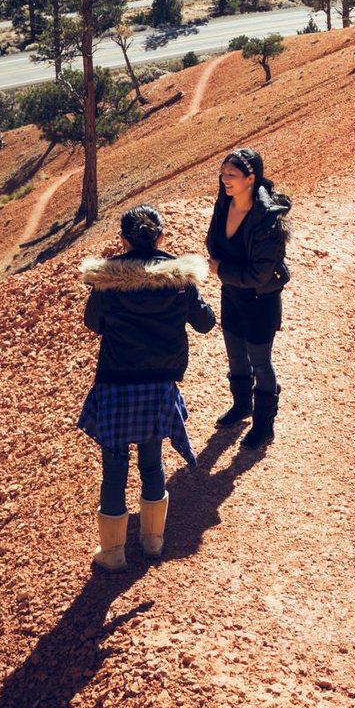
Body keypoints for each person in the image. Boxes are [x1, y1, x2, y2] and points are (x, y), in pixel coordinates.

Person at [77, 204, 216, 571]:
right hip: (158, 386)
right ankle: (153, 542)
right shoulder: (180, 280)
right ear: (162, 237)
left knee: (114, 468)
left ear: (123, 240)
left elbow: (94, 323)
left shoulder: (107, 282)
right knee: (152, 464)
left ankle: (113, 553)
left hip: (115, 383)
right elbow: (205, 323)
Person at [206, 148, 291, 447]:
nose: (224, 179)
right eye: (223, 173)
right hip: (232, 294)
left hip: (260, 300)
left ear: (250, 178)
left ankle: (264, 426)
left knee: (260, 362)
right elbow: (213, 239)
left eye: (231, 175)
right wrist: (223, 269)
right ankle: (242, 406)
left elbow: (260, 274)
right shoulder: (224, 203)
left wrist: (222, 269)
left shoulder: (267, 219)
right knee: (234, 355)